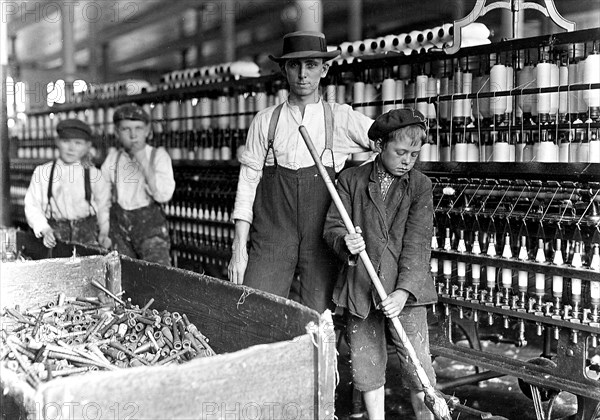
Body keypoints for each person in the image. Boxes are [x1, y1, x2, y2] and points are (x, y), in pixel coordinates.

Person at [227, 31, 375, 313]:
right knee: (256, 308)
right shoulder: (265, 121)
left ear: (325, 68)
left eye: (311, 65)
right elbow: (246, 186)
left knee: (317, 318)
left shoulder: (340, 118)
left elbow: (387, 140)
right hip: (272, 235)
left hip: (321, 237)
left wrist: (357, 182)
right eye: (295, 65)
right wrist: (238, 249)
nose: (303, 74)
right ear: (284, 69)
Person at [323, 109, 438, 420]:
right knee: (367, 366)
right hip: (362, 287)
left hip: (407, 293)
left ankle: (427, 416)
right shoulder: (350, 180)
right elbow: (333, 227)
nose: (407, 160)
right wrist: (345, 242)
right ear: (378, 146)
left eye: (414, 154)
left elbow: (417, 246)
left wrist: (403, 292)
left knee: (418, 367)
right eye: (400, 152)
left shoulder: (420, 186)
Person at [101, 103, 175, 265]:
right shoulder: (113, 159)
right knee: (123, 276)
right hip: (119, 231)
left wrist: (142, 159)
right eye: (126, 129)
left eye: (139, 128)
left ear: (148, 131)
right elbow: (102, 200)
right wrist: (104, 231)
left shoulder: (158, 156)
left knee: (157, 276)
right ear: (117, 132)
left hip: (150, 231)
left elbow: (163, 195)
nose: (133, 135)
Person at [24, 119, 111, 249]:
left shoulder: (95, 175)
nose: (71, 148)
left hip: (87, 238)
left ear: (88, 146)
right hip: (55, 238)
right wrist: (45, 229)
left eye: (78, 143)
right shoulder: (43, 172)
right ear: (57, 141)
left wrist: (104, 234)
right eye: (66, 141)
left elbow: (103, 208)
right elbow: (32, 206)